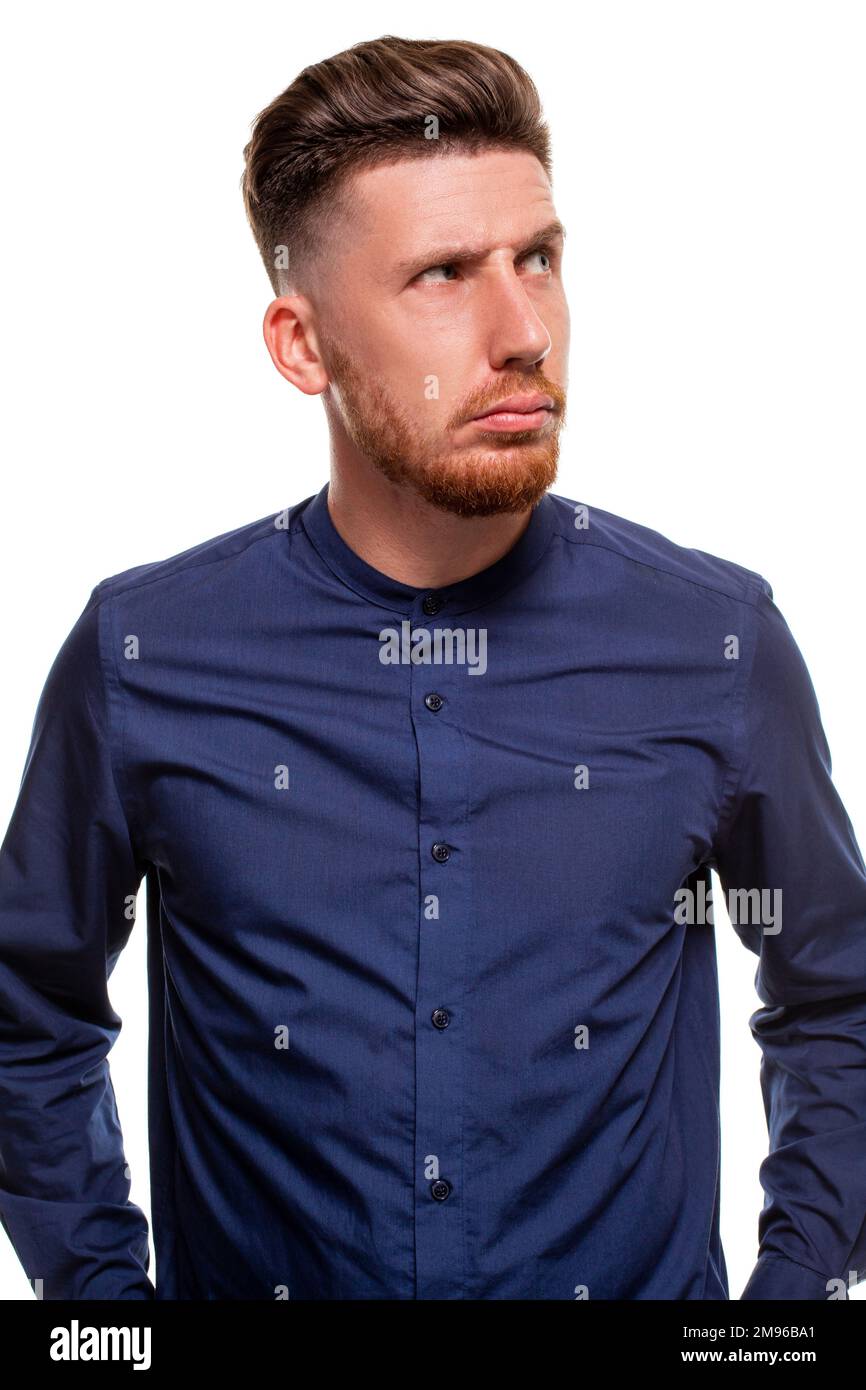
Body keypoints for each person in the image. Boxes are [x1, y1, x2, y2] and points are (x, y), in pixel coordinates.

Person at [1, 34, 864, 1302]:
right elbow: (29, 1009)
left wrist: (787, 1307)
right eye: (443, 275)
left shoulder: (714, 642)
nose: (522, 330)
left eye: (539, 260)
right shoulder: (145, 657)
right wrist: (106, 1319)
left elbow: (836, 990)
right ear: (302, 347)